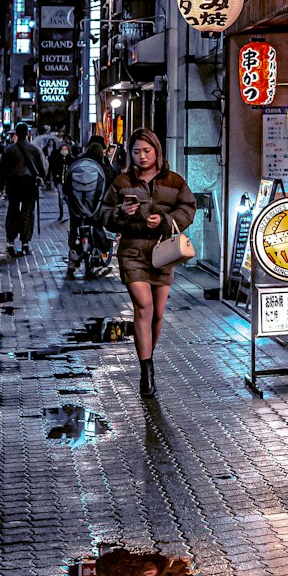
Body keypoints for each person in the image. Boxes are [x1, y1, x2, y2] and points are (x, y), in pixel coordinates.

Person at [100, 128, 196, 399]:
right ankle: (147, 371)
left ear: (157, 152)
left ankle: (147, 355)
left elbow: (188, 208)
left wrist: (164, 221)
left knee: (157, 314)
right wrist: (121, 212)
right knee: (144, 307)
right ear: (130, 154)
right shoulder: (122, 182)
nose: (142, 156)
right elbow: (104, 214)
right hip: (132, 252)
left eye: (147, 151)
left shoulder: (174, 181)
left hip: (163, 253)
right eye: (136, 151)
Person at [0, 123, 47, 257]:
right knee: (27, 211)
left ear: (16, 134)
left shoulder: (9, 150)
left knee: (12, 210)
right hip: (29, 184)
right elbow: (42, 170)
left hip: (13, 184)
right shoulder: (34, 150)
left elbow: (2, 170)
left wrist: (0, 186)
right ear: (27, 134)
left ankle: (10, 241)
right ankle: (25, 242)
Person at [64, 138, 111, 278]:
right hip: (94, 207)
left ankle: (72, 260)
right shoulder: (102, 164)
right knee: (97, 226)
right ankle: (99, 253)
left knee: (74, 228)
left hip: (76, 206)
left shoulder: (77, 161)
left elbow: (67, 181)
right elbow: (111, 179)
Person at [50, 142, 74, 221]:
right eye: (63, 149)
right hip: (59, 181)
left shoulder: (71, 159)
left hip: (68, 182)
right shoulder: (57, 159)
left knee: (68, 198)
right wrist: (56, 176)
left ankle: (71, 213)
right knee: (61, 196)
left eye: (65, 149)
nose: (64, 151)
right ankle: (61, 214)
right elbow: (53, 169)